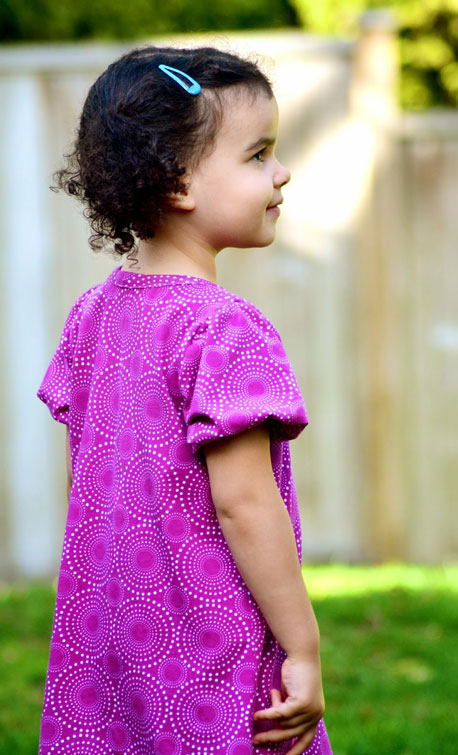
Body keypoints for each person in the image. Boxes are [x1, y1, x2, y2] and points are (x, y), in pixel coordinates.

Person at [36, 45, 333, 755]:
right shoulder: (225, 328)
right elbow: (244, 502)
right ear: (177, 183)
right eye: (259, 154)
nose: (281, 171)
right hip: (209, 650)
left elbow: (85, 485)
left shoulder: (92, 316)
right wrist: (304, 646)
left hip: (107, 652)